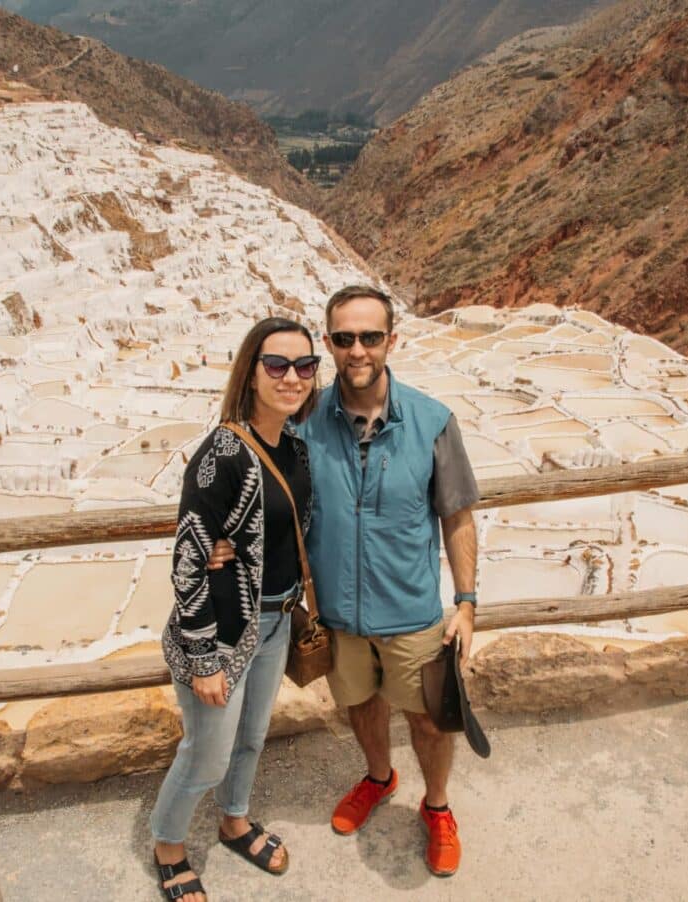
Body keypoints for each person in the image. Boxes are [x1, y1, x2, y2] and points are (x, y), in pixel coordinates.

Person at [210, 285, 481, 877]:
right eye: (343, 338)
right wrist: (220, 541)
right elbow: (263, 493)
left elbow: (457, 515)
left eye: (370, 337)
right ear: (328, 343)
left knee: (430, 717)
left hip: (411, 612)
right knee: (359, 704)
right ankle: (379, 778)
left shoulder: (433, 422)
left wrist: (465, 603)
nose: (357, 350)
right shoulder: (304, 425)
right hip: (338, 615)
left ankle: (437, 808)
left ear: (391, 340)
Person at [152, 317, 320, 902]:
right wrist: (202, 659)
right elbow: (187, 562)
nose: (292, 377)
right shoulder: (220, 454)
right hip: (222, 635)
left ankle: (235, 821)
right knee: (206, 753)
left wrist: (242, 549)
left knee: (252, 736)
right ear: (250, 372)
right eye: (277, 364)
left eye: (304, 365)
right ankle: (169, 847)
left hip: (275, 622)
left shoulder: (295, 448)